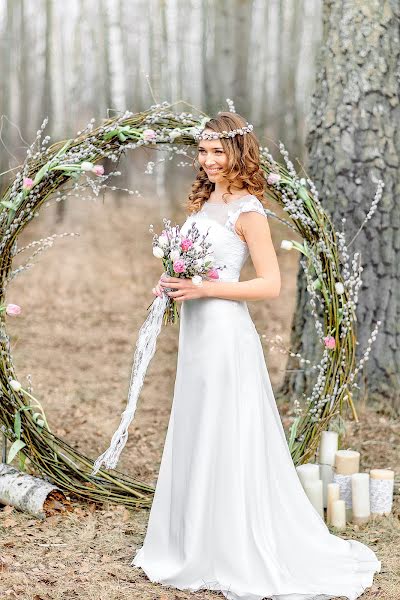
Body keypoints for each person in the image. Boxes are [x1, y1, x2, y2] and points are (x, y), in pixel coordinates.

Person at [132, 112, 381, 600]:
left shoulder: (247, 209)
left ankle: (231, 545)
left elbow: (270, 284)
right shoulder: (206, 199)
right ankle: (192, 537)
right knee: (198, 423)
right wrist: (174, 278)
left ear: (238, 153)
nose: (208, 161)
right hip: (198, 334)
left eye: (218, 152)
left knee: (227, 426)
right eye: (203, 151)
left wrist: (203, 287)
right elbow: (195, 261)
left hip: (225, 332)